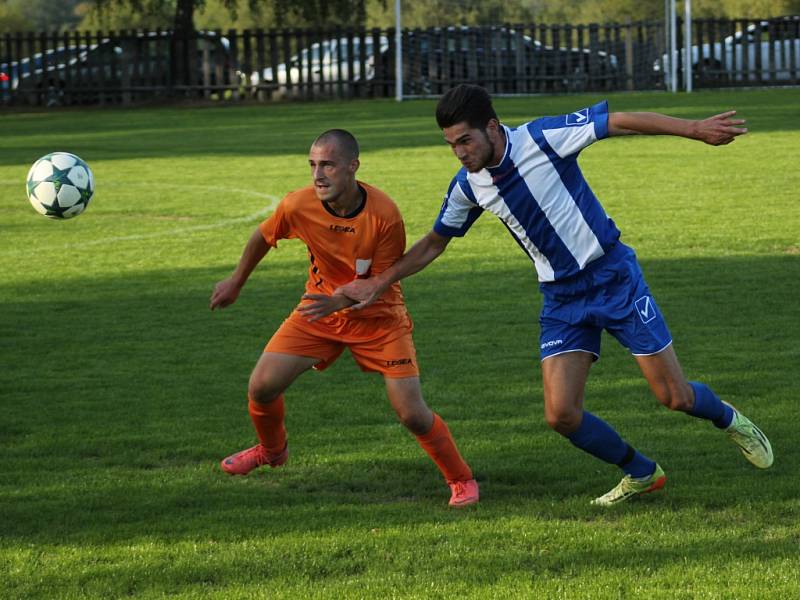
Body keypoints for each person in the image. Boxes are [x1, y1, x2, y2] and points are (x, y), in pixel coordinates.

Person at [331, 84, 774, 506]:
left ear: (491, 127)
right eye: (452, 145)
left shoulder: (543, 138)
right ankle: (642, 472)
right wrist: (379, 282)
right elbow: (434, 241)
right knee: (561, 415)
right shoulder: (468, 186)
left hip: (614, 279)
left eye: (465, 140)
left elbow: (618, 121)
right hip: (562, 300)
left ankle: (729, 419)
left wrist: (693, 129)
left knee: (674, 397)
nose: (460, 153)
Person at [210, 128, 479, 508]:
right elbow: (262, 237)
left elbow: (377, 286)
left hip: (380, 319)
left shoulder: (384, 215)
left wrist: (338, 301)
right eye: (313, 165)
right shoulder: (297, 205)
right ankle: (272, 451)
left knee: (412, 414)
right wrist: (237, 280)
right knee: (262, 387)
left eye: (328, 166)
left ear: (353, 166)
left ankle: (461, 479)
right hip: (319, 312)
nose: (318, 175)